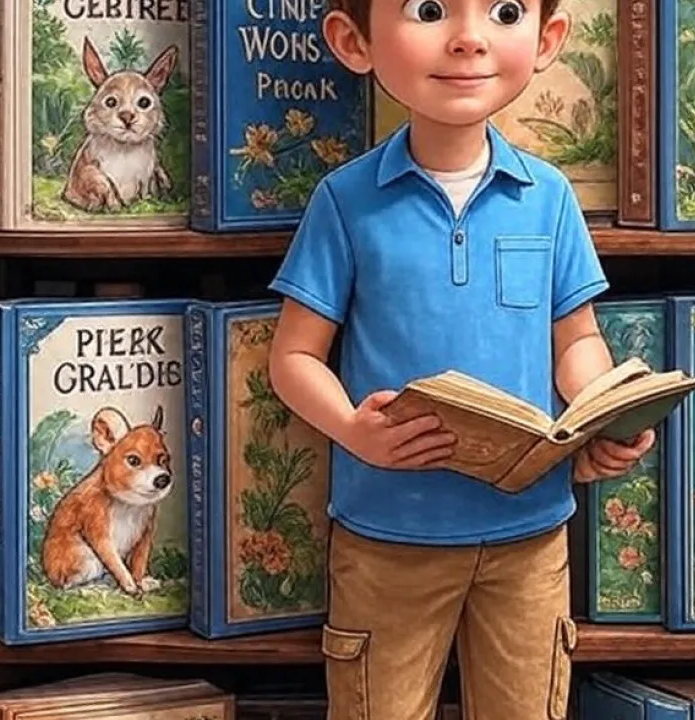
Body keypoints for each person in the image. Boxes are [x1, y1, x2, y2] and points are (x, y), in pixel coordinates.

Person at [266, 0, 656, 713]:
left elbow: (576, 340)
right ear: (355, 42)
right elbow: (292, 357)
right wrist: (355, 431)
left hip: (530, 536)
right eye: (429, 10)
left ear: (548, 39)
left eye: (505, 11)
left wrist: (600, 413)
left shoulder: (551, 198)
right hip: (388, 535)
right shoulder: (345, 202)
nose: (470, 38)